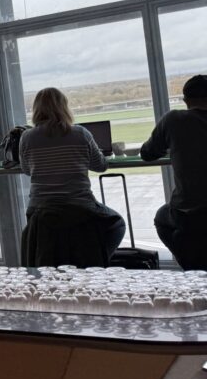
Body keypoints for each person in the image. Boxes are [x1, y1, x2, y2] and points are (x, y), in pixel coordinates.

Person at [19, 88, 126, 261]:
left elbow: (26, 170)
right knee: (117, 224)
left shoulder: (27, 137)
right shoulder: (80, 134)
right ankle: (95, 259)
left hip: (39, 210)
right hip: (79, 207)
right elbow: (101, 166)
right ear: (64, 107)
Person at [141, 74, 207, 270]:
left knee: (162, 217)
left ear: (186, 100)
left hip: (190, 212)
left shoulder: (174, 120)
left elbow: (147, 153)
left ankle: (192, 266)